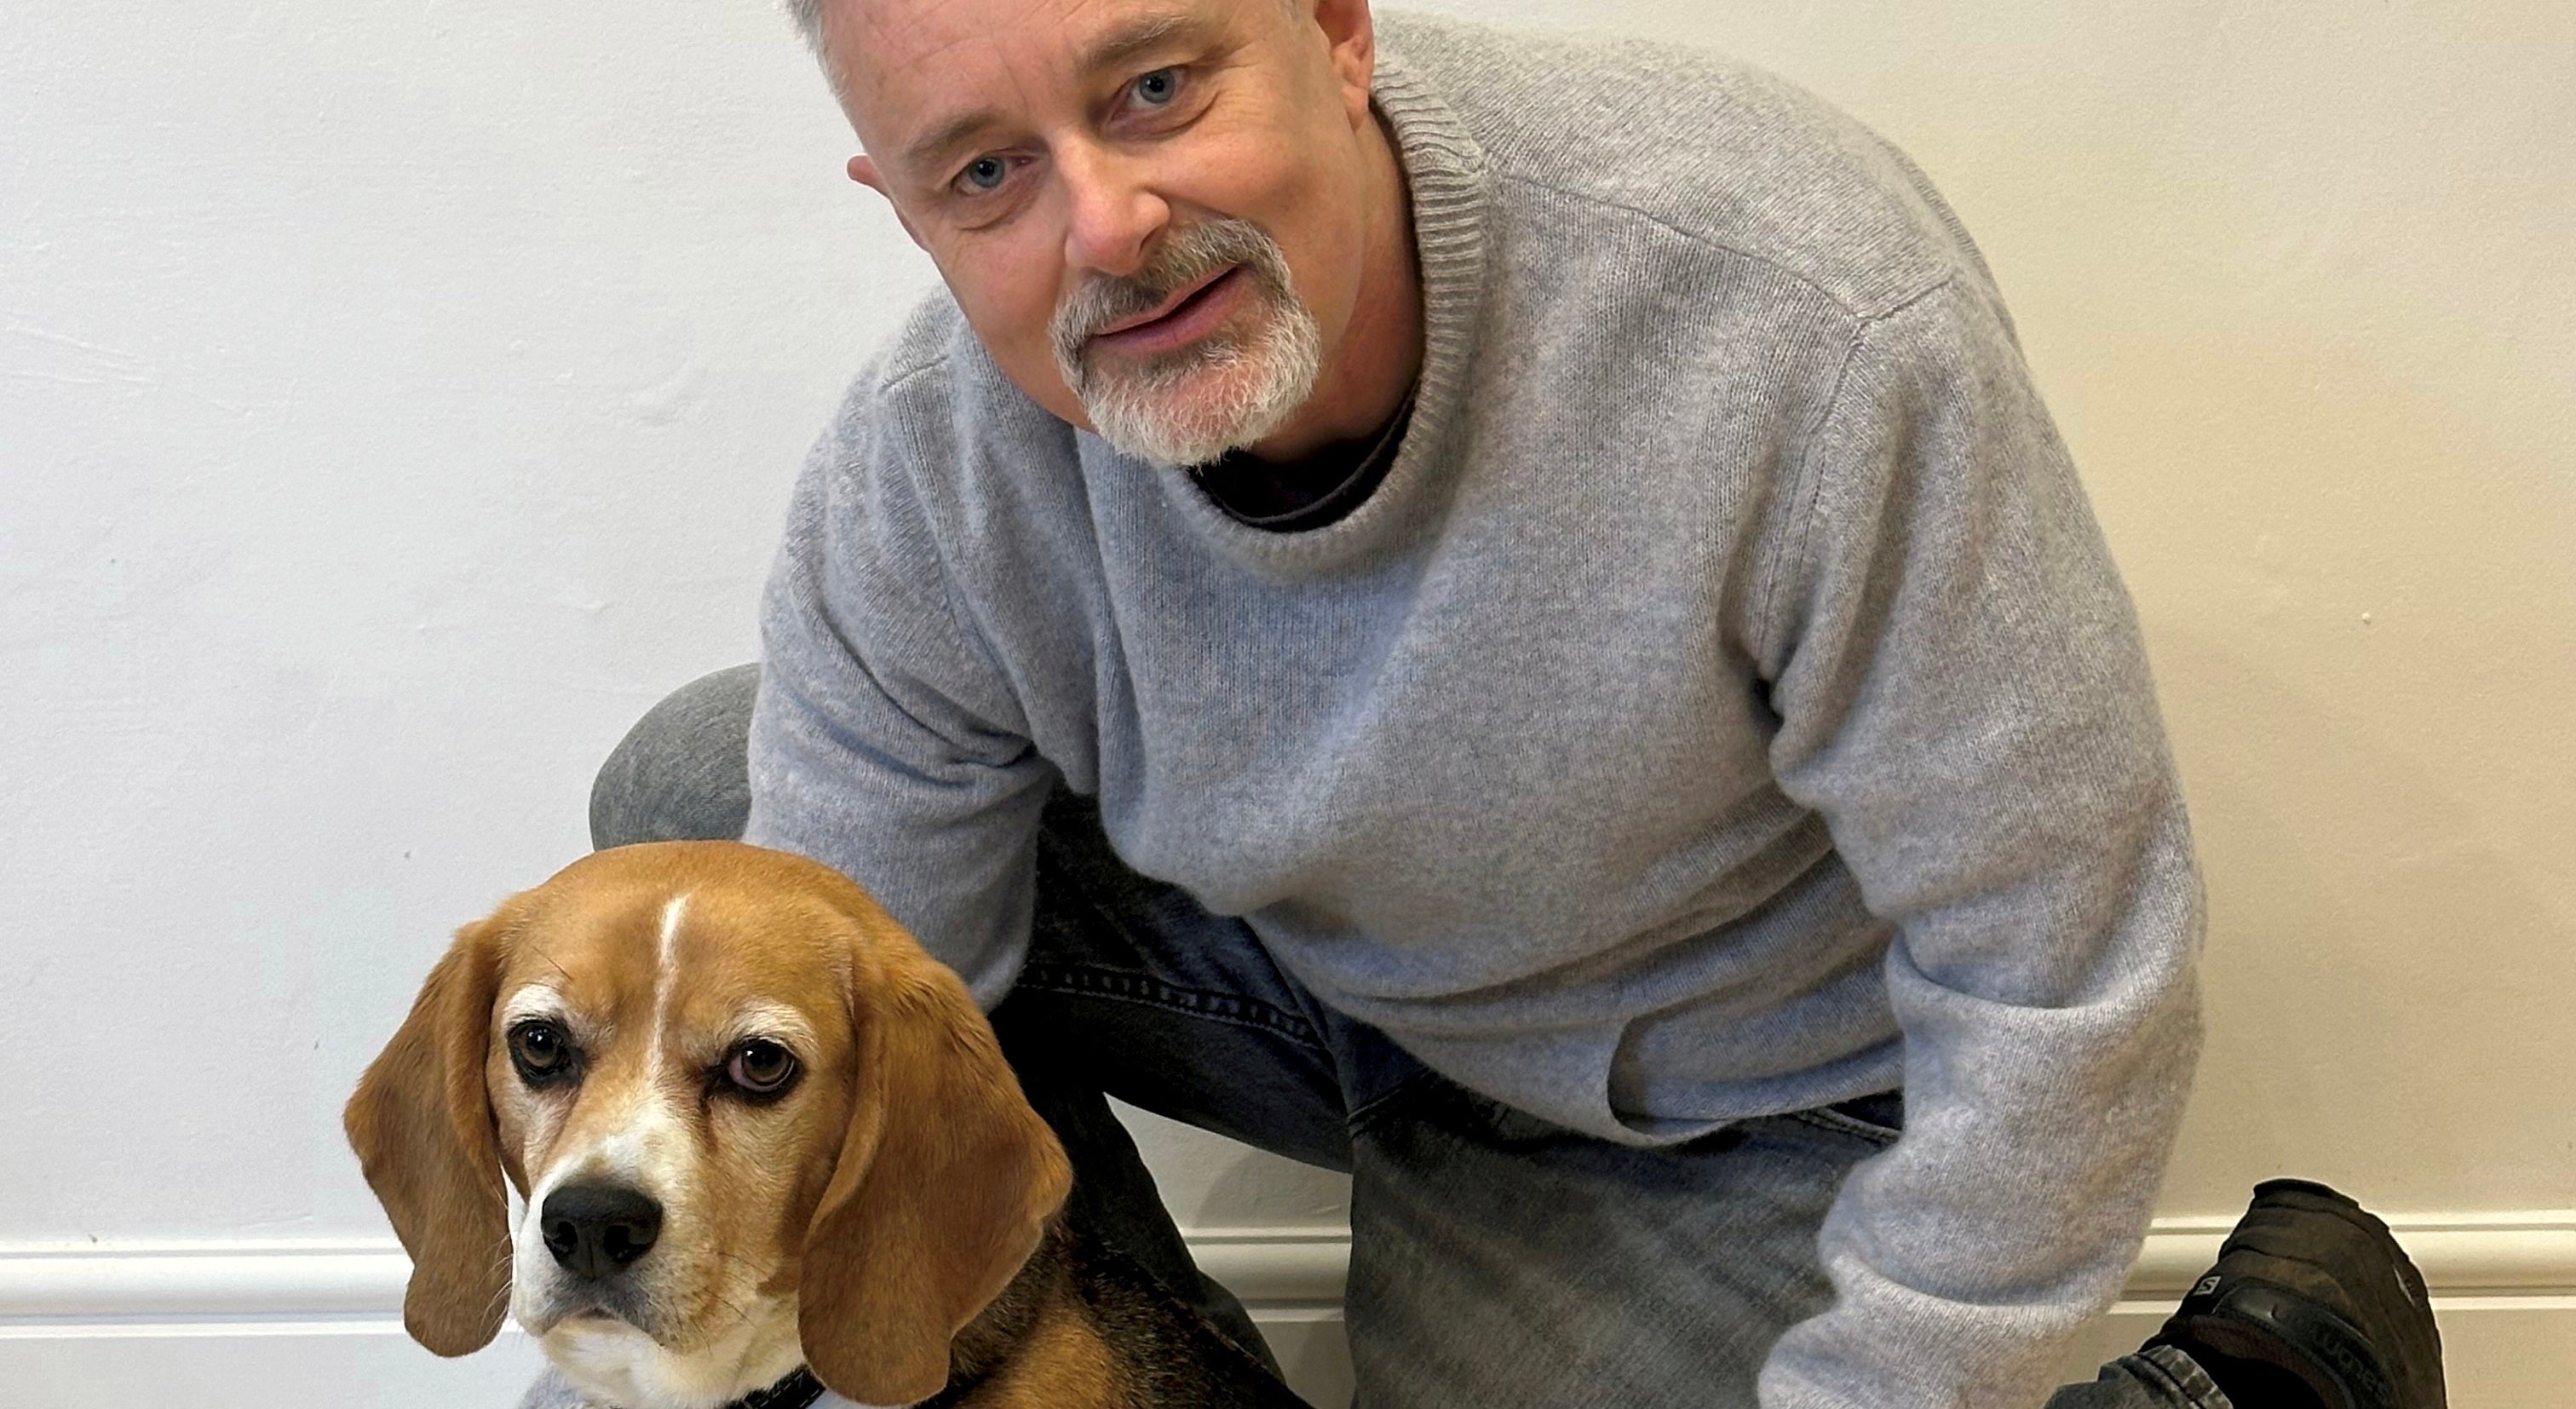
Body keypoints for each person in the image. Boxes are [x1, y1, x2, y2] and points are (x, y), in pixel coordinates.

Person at [590, 2, 2447, 1406]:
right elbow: (829, 1109)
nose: (1103, 226)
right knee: (724, 849)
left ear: (1334, 24)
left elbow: (2063, 971)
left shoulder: (1788, 315)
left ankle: (2254, 1382)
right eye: (984, 170)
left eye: (1155, 86)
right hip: (1313, 989)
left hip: (1741, 1094)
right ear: (902, 203)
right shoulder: (928, 472)